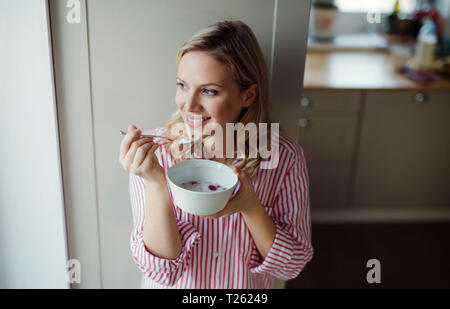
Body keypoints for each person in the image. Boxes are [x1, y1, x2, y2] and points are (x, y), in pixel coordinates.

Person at [119, 20, 313, 288]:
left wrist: (251, 207)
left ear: (248, 96)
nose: (188, 105)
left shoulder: (283, 157)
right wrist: (156, 182)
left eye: (209, 91)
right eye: (182, 85)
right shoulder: (156, 154)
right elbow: (162, 274)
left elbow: (291, 267)